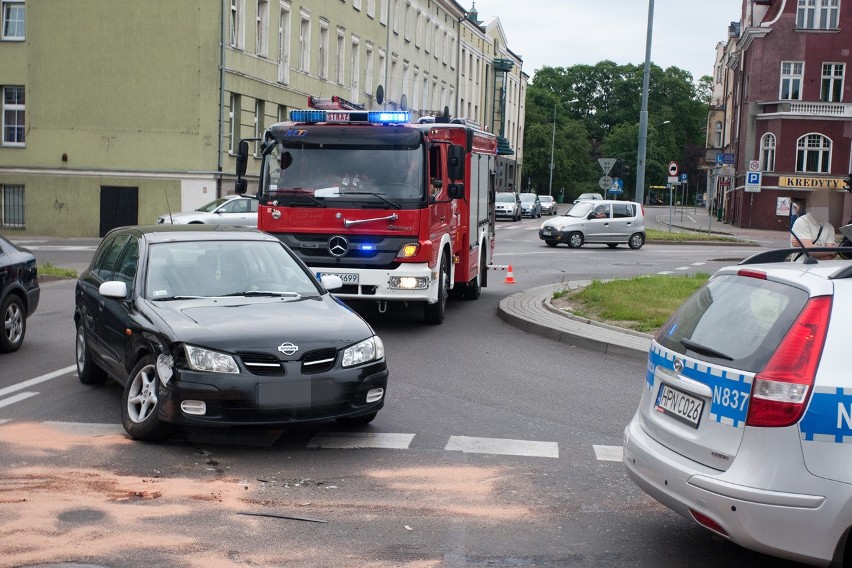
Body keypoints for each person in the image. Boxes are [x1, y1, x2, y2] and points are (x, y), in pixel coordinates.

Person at [791, 189, 836, 261]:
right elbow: (810, 251)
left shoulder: (829, 227)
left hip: (823, 270)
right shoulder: (802, 222)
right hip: (801, 269)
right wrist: (832, 251)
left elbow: (829, 258)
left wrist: (806, 247)